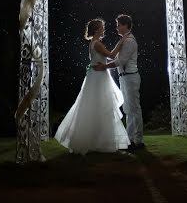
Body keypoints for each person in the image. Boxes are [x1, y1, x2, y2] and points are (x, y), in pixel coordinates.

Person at [54, 18, 130, 154]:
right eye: (102, 27)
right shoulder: (97, 44)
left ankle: (96, 141)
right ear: (96, 29)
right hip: (99, 77)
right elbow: (112, 55)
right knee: (101, 106)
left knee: (96, 107)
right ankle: (100, 142)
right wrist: (121, 42)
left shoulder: (93, 43)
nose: (103, 29)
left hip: (96, 76)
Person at [94, 14, 143, 150]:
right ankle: (131, 139)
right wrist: (104, 62)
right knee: (128, 108)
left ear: (125, 25)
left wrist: (104, 66)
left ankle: (138, 140)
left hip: (130, 76)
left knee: (134, 109)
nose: (116, 28)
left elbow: (120, 61)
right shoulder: (124, 40)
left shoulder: (129, 41)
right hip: (125, 76)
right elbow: (115, 58)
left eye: (118, 25)